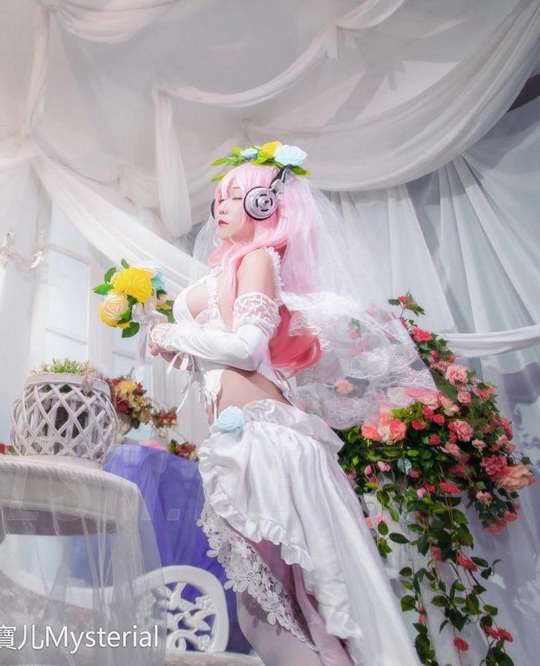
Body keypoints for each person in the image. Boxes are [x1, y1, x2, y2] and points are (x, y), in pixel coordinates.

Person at [148, 142, 428, 666]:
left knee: (275, 615)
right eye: (219, 197)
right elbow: (225, 360)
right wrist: (171, 342)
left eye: (236, 196)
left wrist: (173, 335)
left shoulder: (258, 259)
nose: (221, 206)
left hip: (265, 439)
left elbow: (247, 349)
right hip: (245, 436)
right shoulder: (229, 270)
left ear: (265, 205)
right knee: (283, 612)